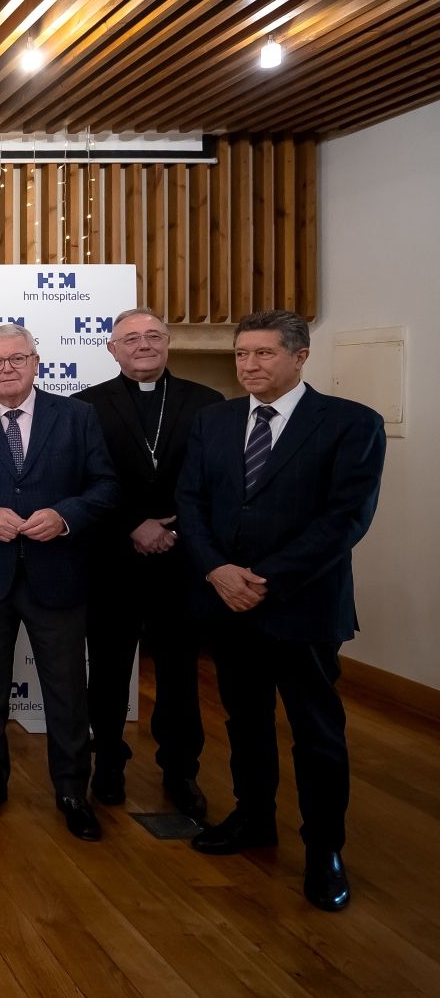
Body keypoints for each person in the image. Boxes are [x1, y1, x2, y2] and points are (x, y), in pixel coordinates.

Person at [176, 309, 384, 912]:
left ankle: (324, 850)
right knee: (244, 722)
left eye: (264, 354)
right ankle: (253, 818)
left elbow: (345, 520)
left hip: (301, 607)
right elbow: (190, 501)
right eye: (242, 355)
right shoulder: (214, 422)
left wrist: (263, 580)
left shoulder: (350, 424)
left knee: (317, 735)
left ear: (300, 356)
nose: (250, 365)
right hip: (227, 603)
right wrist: (217, 570)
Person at [0, 323, 118, 841]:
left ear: (37, 361)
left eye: (17, 359)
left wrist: (66, 515)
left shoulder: (77, 417)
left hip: (57, 573)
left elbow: (105, 486)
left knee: (66, 690)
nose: (6, 369)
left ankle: (72, 790)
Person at [74, 309, 221, 818]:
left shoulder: (207, 403)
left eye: (152, 336)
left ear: (168, 343)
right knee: (109, 672)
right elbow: (83, 483)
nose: (142, 345)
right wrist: (134, 524)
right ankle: (108, 764)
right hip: (112, 560)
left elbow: (213, 482)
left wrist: (170, 527)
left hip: (180, 561)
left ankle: (181, 771)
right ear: (112, 349)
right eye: (130, 338)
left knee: (180, 674)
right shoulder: (85, 406)